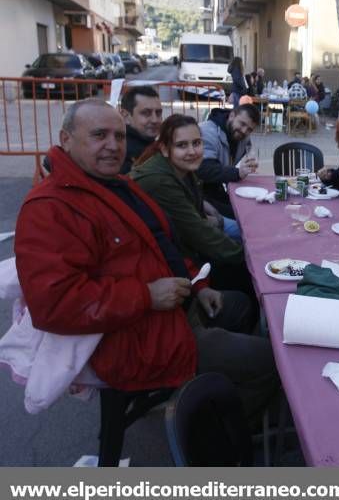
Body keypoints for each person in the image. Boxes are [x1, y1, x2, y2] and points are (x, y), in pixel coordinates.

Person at [14, 99, 278, 426]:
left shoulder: (119, 185)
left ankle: (211, 395)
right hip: (135, 338)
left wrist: (199, 285)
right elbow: (53, 306)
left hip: (174, 310)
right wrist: (146, 295)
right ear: (66, 139)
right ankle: (210, 439)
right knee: (274, 362)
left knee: (239, 304)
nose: (113, 146)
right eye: (99, 135)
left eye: (120, 136)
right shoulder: (49, 207)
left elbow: (165, 246)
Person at [130, 114, 255, 304]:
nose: (192, 151)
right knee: (246, 278)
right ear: (165, 149)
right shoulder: (160, 180)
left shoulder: (182, 169)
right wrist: (248, 256)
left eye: (197, 143)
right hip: (162, 268)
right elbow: (197, 232)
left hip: (181, 253)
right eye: (182, 145)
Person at [197, 103, 260, 218]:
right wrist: (237, 173)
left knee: (253, 208)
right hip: (198, 193)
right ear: (232, 115)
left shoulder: (242, 137)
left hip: (217, 188)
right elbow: (204, 169)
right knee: (244, 216)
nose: (244, 131)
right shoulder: (207, 131)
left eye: (249, 129)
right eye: (242, 124)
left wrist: (250, 162)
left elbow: (248, 154)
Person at [119, 85, 162, 174]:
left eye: (158, 113)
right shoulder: (121, 152)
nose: (155, 120)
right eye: (146, 113)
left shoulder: (152, 145)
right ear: (125, 116)